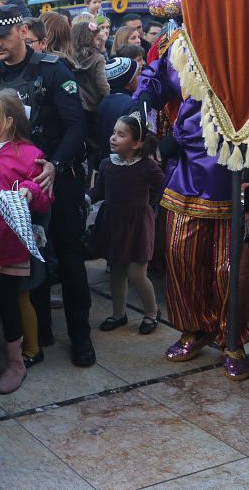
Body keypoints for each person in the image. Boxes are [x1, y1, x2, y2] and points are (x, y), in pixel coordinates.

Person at [133, 0, 249, 379]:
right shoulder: (176, 45)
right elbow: (155, 79)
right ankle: (193, 328)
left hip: (231, 170)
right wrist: (144, 96)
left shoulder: (241, 43)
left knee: (227, 266)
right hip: (185, 171)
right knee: (182, 258)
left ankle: (232, 336)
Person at [0, 3, 95, 367]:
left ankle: (81, 337)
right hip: (15, 187)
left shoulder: (52, 69)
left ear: (22, 31)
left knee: (70, 258)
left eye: (1, 36)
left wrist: (56, 165)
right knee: (31, 260)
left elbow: (77, 124)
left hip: (58, 179)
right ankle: (40, 332)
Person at [0, 90, 52, 393]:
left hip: (10, 243)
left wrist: (30, 190)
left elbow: (44, 195)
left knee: (9, 303)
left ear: (7, 121)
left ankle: (16, 362)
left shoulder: (29, 154)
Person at [91, 114, 164, 334]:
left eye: (121, 135)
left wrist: (150, 204)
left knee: (136, 273)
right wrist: (83, 198)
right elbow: (98, 192)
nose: (113, 138)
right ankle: (118, 313)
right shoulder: (106, 164)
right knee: (117, 270)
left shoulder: (147, 167)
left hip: (138, 224)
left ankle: (151, 312)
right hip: (114, 223)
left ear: (137, 143)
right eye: (114, 133)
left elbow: (163, 186)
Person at [95, 55, 141, 159]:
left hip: (106, 159)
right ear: (128, 81)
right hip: (124, 159)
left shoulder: (104, 101)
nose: (139, 78)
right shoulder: (131, 104)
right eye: (137, 75)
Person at [71, 21, 111, 113]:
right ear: (88, 39)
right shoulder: (98, 58)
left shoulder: (70, 57)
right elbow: (102, 85)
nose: (99, 42)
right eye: (97, 39)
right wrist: (108, 97)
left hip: (76, 104)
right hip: (94, 105)